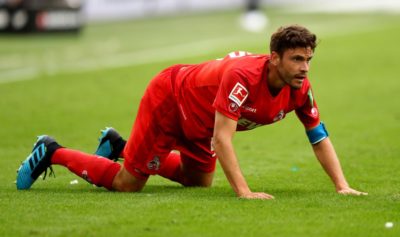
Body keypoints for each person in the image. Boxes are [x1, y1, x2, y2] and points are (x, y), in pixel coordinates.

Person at [16, 25, 367, 199]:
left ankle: (121, 146)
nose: (305, 67)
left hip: (201, 121)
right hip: (170, 100)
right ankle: (53, 151)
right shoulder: (243, 77)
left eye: (308, 59)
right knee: (128, 185)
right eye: (297, 59)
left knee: (198, 181)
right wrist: (244, 192)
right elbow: (223, 137)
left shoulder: (299, 88)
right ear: (274, 58)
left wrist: (342, 187)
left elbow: (318, 136)